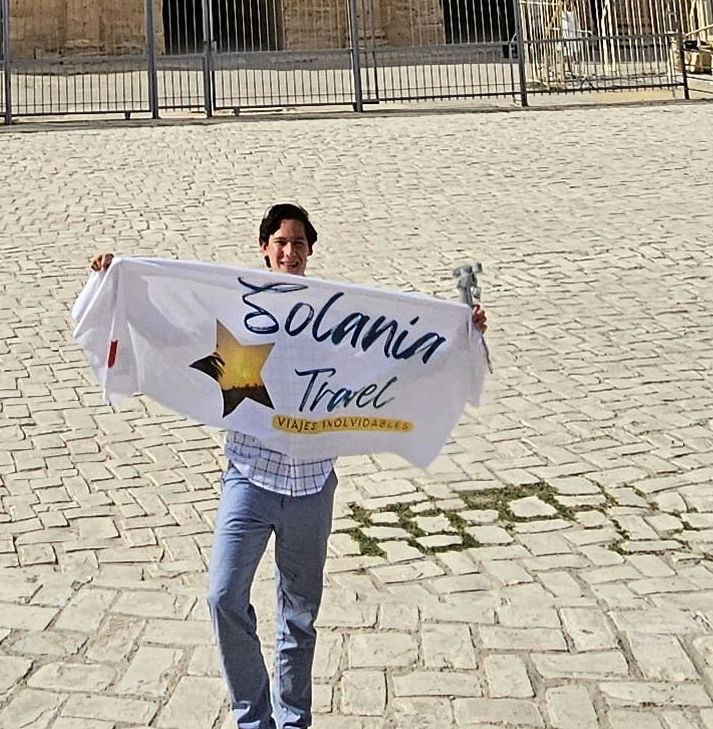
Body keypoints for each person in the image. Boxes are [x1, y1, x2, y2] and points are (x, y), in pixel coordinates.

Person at [90, 205, 482, 729]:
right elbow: (175, 331)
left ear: (309, 251)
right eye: (280, 241)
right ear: (263, 246)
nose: (289, 251)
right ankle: (254, 716)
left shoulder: (336, 318)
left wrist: (462, 331)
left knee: (298, 615)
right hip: (249, 478)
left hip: (311, 487)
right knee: (223, 595)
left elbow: (400, 357)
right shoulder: (238, 307)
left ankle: (293, 720)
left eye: (299, 243)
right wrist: (116, 283)